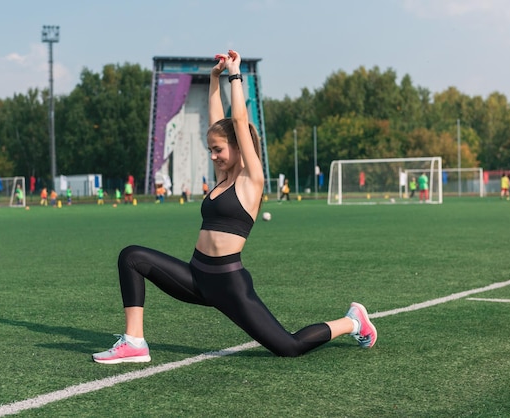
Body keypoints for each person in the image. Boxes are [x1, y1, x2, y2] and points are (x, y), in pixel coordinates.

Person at [92, 50, 377, 365]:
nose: (213, 156)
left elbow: (238, 121)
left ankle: (352, 321)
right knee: (131, 257)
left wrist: (235, 74)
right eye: (210, 150)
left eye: (218, 150)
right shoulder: (222, 178)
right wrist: (214, 77)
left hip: (230, 286)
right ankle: (134, 341)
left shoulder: (251, 180)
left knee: (289, 347)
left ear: (239, 147)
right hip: (196, 277)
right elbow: (220, 123)